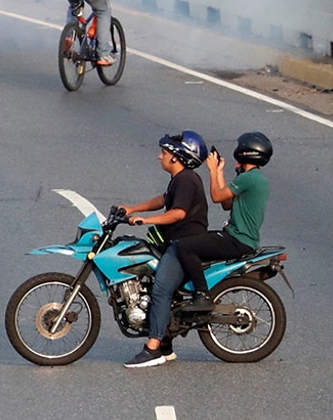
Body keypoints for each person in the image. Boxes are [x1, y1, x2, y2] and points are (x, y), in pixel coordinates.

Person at [162, 133, 273, 333]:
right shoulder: (254, 179)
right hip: (240, 238)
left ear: (246, 152)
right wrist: (220, 172)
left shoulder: (250, 178)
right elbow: (226, 203)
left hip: (237, 240)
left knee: (184, 245)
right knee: (195, 244)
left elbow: (215, 196)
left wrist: (212, 171)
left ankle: (202, 294)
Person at [117, 130, 211, 368]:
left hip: (184, 245)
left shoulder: (187, 180)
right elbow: (165, 199)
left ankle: (153, 348)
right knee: (149, 280)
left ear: (177, 158)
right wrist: (132, 208)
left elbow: (178, 212)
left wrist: (146, 220)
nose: (160, 157)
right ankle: (167, 344)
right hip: (175, 242)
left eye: (164, 153)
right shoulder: (179, 180)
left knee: (160, 290)